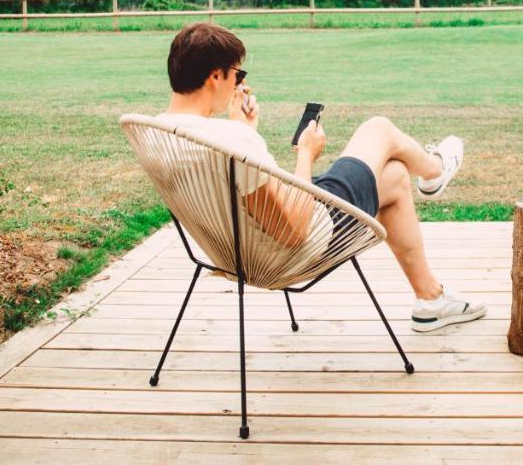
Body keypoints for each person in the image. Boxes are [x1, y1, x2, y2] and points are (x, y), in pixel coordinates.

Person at [154, 22, 486, 332]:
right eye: (237, 75)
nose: (240, 83)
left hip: (233, 255)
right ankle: (435, 172)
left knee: (395, 176)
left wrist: (242, 128)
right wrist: (305, 153)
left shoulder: (157, 133)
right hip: (299, 247)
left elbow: (239, 189)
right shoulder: (232, 142)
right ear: (216, 76)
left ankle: (431, 299)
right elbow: (296, 230)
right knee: (378, 129)